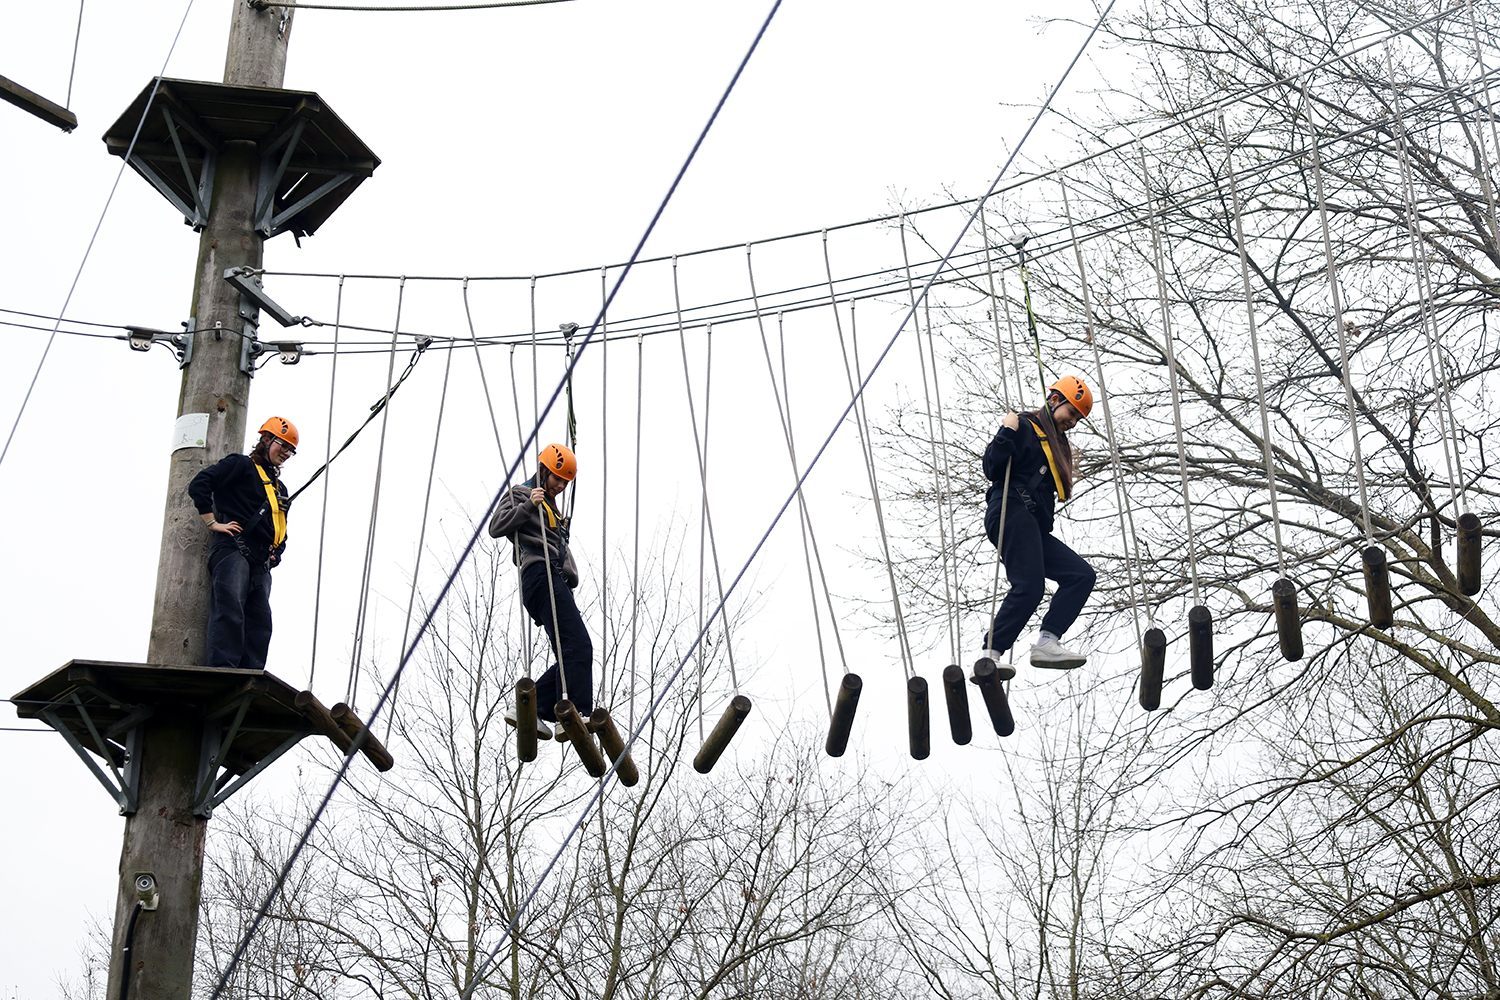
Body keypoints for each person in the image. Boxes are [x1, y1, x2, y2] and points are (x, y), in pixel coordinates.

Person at [980, 376, 1097, 671]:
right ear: (1055, 400)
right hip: (1011, 510)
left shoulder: (1054, 443)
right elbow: (992, 466)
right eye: (1072, 413)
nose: (1073, 422)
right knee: (1030, 587)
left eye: (1078, 419)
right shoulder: (1024, 426)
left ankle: (1048, 642)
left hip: (1030, 523)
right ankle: (990, 655)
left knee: (1080, 575)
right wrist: (1007, 430)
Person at [490, 443, 593, 740]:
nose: (560, 486)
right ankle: (575, 712)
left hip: (552, 581)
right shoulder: (522, 493)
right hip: (541, 576)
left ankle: (531, 709)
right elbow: (496, 527)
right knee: (579, 646)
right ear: (544, 471)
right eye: (556, 479)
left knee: (571, 652)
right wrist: (528, 506)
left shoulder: (553, 508)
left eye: (565, 482)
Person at [188, 416, 298, 671]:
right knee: (231, 609)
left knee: (260, 621)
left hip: (260, 560)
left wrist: (276, 553)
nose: (287, 453)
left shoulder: (278, 488)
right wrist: (212, 522)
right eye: (283, 446)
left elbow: (280, 528)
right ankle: (224, 671)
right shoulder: (241, 465)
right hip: (233, 547)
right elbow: (200, 484)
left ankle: (250, 675)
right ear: (267, 439)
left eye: (291, 450)